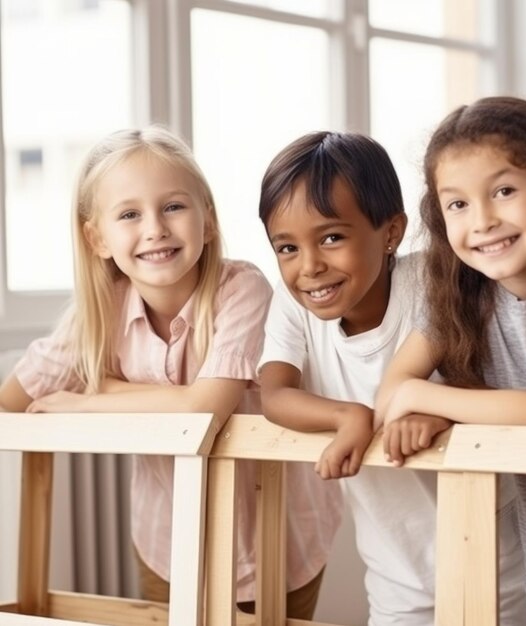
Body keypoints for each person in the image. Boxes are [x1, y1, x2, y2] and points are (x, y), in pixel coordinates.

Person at [0, 125, 341, 619]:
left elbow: (204, 407)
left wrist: (93, 398)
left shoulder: (242, 289)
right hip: (167, 541)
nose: (155, 228)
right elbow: (12, 400)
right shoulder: (99, 315)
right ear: (96, 237)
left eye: (174, 207)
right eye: (130, 214)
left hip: (279, 539)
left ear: (207, 220)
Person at [257, 130, 526, 626]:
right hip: (393, 575)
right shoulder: (291, 304)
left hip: (499, 562)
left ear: (390, 233)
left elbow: (503, 382)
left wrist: (439, 410)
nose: (310, 266)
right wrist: (348, 415)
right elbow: (274, 394)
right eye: (286, 248)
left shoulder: (434, 280)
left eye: (331, 237)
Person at [375, 95, 526, 625]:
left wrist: (424, 397)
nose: (483, 220)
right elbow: (389, 394)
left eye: (504, 191)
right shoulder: (458, 304)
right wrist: (431, 412)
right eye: (458, 204)